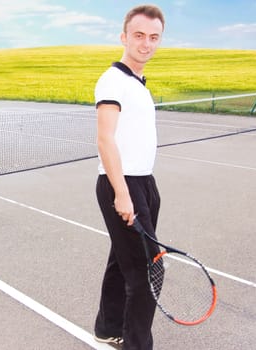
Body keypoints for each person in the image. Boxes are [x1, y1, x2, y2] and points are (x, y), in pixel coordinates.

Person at [93, 4, 165, 350]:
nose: (146, 43)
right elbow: (105, 139)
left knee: (123, 260)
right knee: (149, 271)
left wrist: (144, 192)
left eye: (153, 37)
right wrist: (122, 193)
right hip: (122, 183)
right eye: (139, 35)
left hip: (144, 182)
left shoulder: (139, 83)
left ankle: (108, 327)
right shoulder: (113, 80)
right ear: (124, 37)